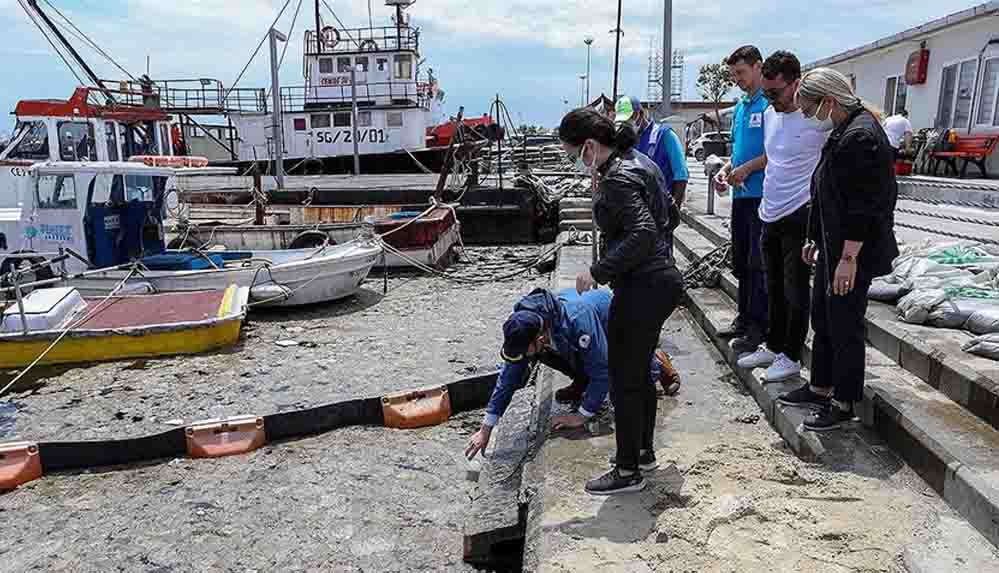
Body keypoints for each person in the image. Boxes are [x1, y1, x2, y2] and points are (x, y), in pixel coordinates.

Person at [561, 108, 684, 495]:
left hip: (643, 285)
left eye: (571, 154)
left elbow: (644, 231)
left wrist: (599, 271)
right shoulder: (641, 163)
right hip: (660, 279)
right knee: (639, 373)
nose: (573, 162)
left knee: (623, 380)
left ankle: (627, 470)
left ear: (590, 146)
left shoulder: (618, 177)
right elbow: (671, 215)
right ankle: (642, 451)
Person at [777, 68, 899, 431]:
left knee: (845, 323)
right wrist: (814, 237)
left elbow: (863, 207)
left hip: (853, 251)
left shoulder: (861, 137)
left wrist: (848, 259)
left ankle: (843, 400)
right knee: (824, 317)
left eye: (810, 108)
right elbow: (825, 192)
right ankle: (820, 386)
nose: (809, 117)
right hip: (833, 244)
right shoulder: (843, 131)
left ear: (829, 101)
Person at [464, 287, 679, 461]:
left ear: (539, 339)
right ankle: (583, 380)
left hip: (615, 327)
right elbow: (508, 378)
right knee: (548, 356)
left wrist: (581, 416)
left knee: (629, 378)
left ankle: (658, 362)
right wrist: (486, 429)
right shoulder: (524, 326)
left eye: (526, 350)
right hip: (576, 342)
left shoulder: (577, 320)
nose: (522, 356)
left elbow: (603, 371)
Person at [737, 51, 828, 382]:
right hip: (769, 212)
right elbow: (772, 158)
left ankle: (791, 354)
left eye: (775, 92)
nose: (770, 99)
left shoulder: (818, 119)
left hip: (799, 213)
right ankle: (773, 345)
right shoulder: (772, 115)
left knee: (795, 289)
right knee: (771, 284)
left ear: (796, 83)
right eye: (766, 92)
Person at [713, 46, 769, 355]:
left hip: (763, 196)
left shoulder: (769, 106)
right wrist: (726, 170)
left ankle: (759, 326)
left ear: (758, 67)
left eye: (741, 73)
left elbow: (775, 152)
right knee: (742, 262)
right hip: (741, 196)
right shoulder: (742, 107)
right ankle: (744, 317)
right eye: (733, 74)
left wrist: (747, 169)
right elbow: (737, 152)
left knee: (758, 264)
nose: (737, 80)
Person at [614, 95, 689, 208]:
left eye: (631, 117)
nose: (628, 123)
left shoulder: (664, 135)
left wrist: (675, 208)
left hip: (659, 208)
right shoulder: (626, 141)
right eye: (624, 121)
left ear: (641, 113)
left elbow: (681, 174)